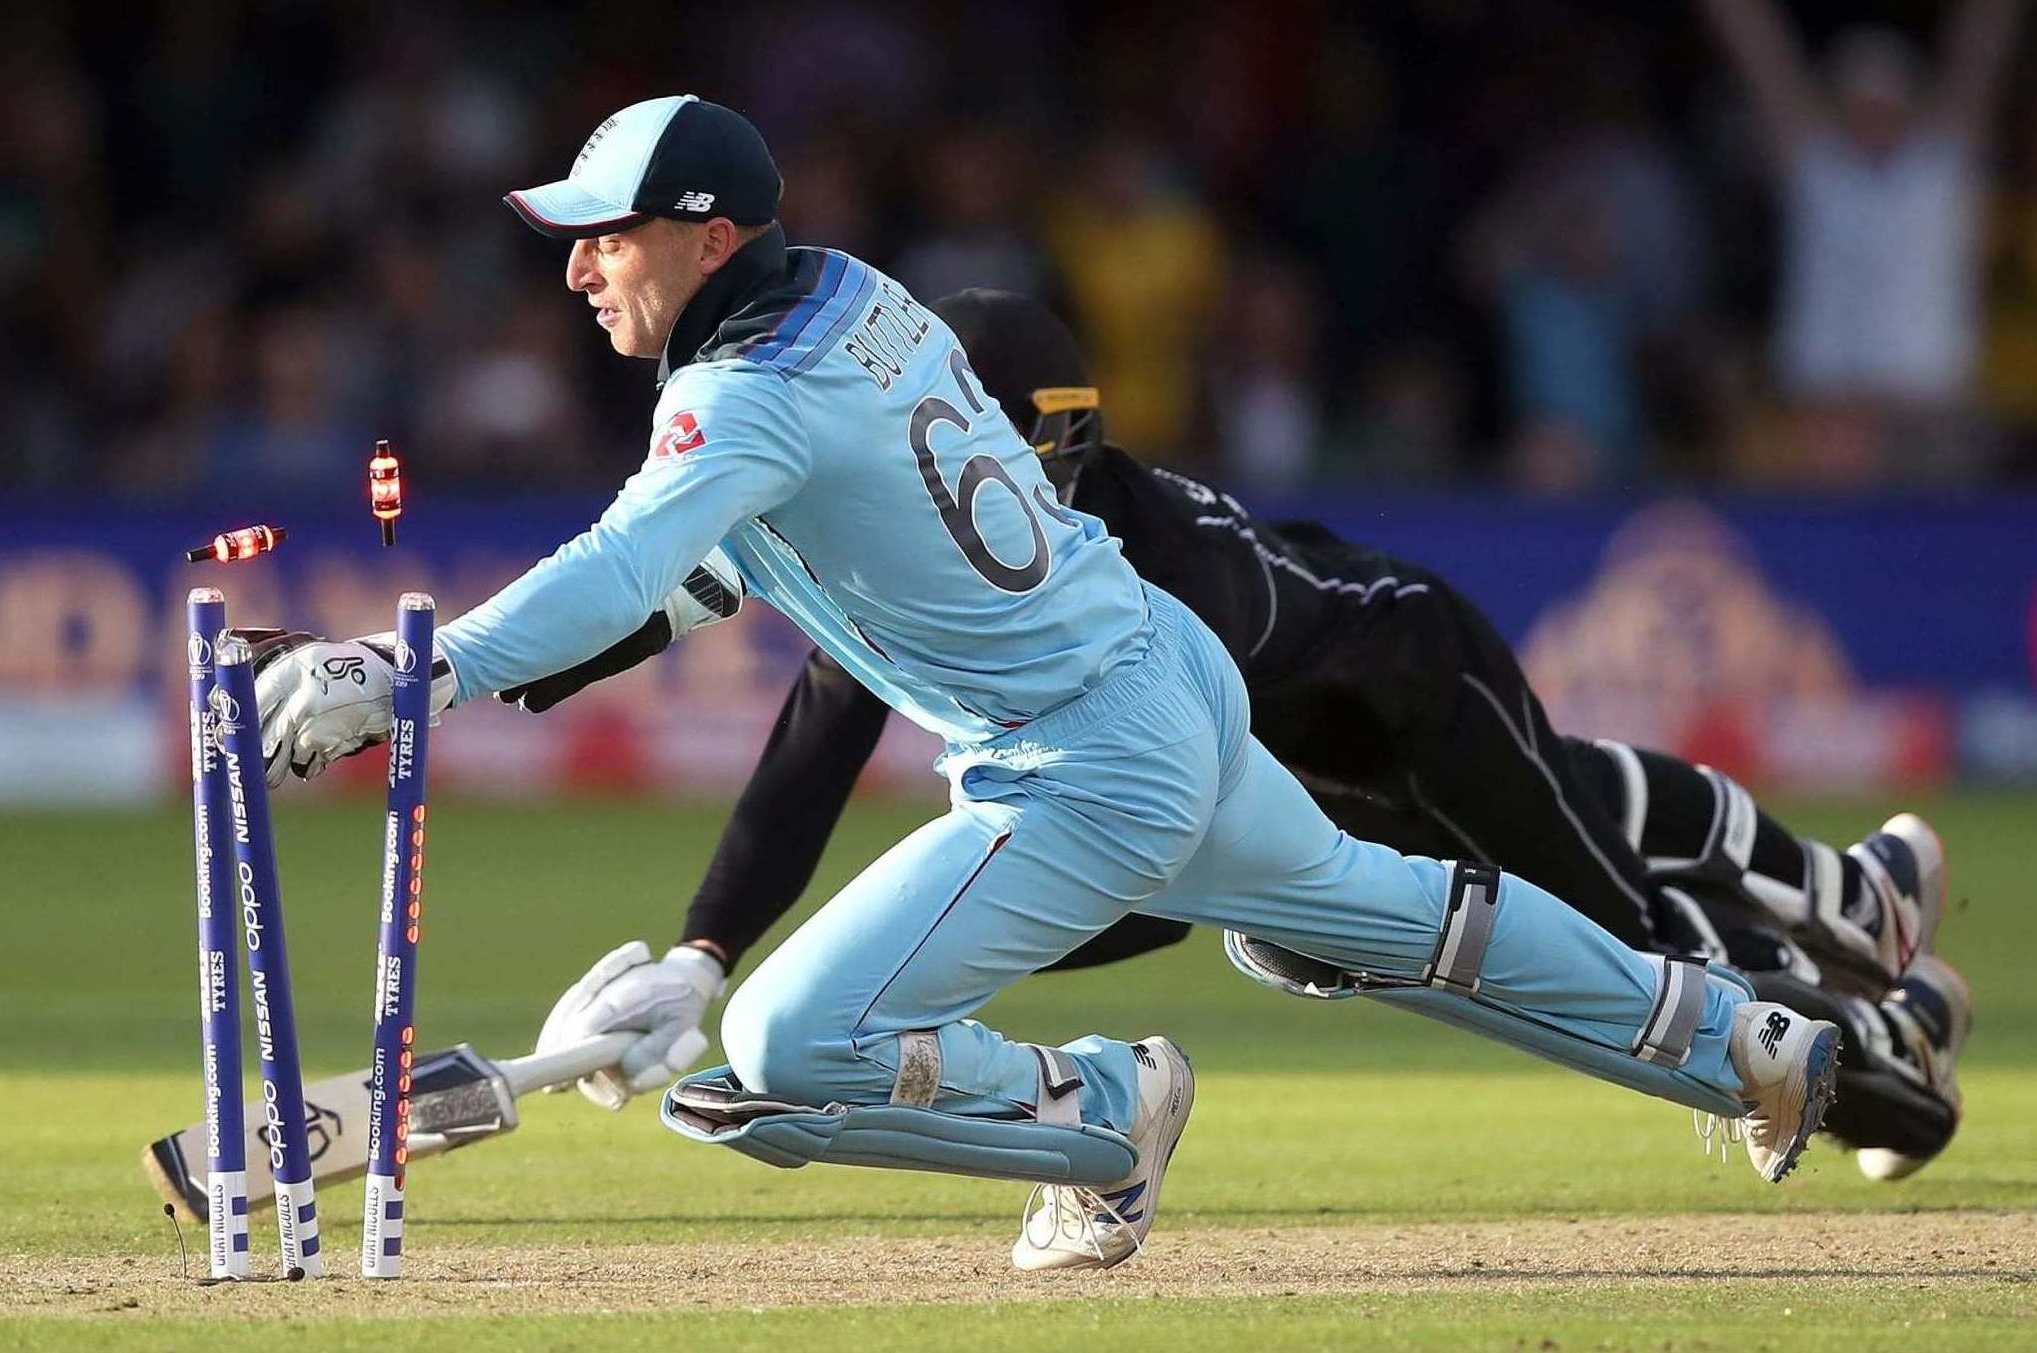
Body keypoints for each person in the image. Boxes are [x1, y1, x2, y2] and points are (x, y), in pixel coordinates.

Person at [251, 96, 1837, 1273]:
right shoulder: (851, 294)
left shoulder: (741, 400)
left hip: (1082, 761)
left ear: (708, 236)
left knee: (795, 1050)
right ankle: (1737, 1040)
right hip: (1165, 677)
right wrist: (674, 928)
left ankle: (1099, 1111)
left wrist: (419, 676)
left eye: (608, 231)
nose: (582, 266)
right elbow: (707, 577)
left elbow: (618, 566)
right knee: (1413, 920)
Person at [504, 288, 1968, 1184]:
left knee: (1620, 924)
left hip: (1401, 695)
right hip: (1270, 762)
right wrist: (711, 947)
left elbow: (1133, 863)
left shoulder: (1137, 565)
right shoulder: (937, 563)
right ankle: (1847, 902)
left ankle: (1881, 1045)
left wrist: (942, 953)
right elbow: (810, 739)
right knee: (1457, 901)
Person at [1670, 0, 2037, 479]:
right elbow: (1769, 69)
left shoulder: (1938, 172)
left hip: (1928, 421)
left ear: (1912, 108)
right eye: (1857, 103)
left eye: (1887, 103)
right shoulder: (1821, 175)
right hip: (1823, 419)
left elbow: (1978, 62)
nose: (1872, 117)